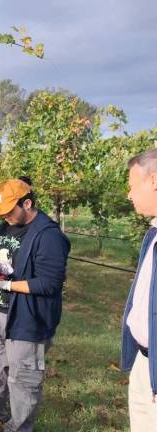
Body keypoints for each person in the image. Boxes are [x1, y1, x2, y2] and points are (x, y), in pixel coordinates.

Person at [0, 176, 70, 432]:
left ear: (27, 204)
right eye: (1, 212)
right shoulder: (4, 228)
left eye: (8, 210)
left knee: (23, 381)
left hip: (27, 319)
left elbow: (49, 283)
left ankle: (19, 428)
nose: (4, 216)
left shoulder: (49, 236)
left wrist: (5, 286)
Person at [121, 148, 157, 430]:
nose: (129, 195)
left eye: (132, 186)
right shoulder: (153, 234)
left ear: (153, 180)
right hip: (144, 363)